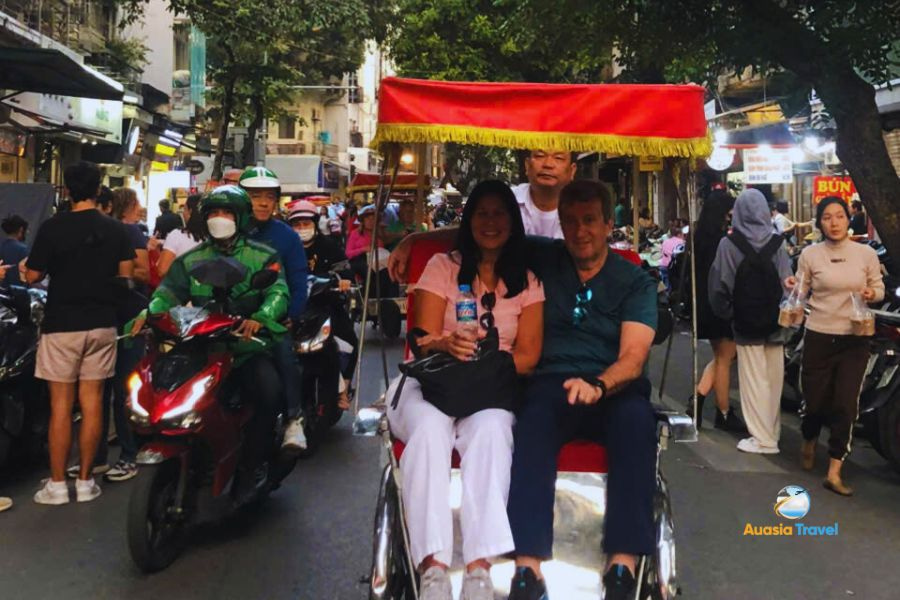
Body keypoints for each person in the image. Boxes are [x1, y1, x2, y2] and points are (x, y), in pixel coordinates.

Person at [387, 180, 544, 600]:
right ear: (469, 221)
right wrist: (446, 343)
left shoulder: (527, 281)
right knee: (430, 432)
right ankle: (433, 567)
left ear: (512, 221)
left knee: (494, 431)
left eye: (499, 214)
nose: (490, 223)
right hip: (431, 382)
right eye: (482, 214)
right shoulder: (442, 265)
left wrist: (488, 363)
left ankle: (479, 567)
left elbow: (528, 356)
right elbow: (421, 337)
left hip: (489, 388)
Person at [503, 180, 658, 600]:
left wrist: (598, 384)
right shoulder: (544, 257)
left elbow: (633, 357)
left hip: (614, 385)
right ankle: (527, 567)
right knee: (531, 420)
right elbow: (487, 232)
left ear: (609, 224)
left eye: (590, 221)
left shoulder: (634, 280)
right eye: (570, 222)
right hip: (552, 382)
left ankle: (621, 565)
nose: (580, 231)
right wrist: (415, 241)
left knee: (636, 422)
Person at [131, 185, 290, 499]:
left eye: (226, 213)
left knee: (269, 392)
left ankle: (252, 466)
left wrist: (260, 316)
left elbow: (278, 293)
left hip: (244, 347)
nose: (220, 219)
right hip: (198, 348)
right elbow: (168, 293)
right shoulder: (191, 260)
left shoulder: (262, 256)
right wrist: (148, 314)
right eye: (214, 213)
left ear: (240, 217)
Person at [20, 161, 135, 505]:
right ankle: (86, 482)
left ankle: (57, 485)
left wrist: (31, 269)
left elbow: (33, 277)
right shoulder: (116, 230)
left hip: (61, 325)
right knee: (93, 402)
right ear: (99, 190)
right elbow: (126, 275)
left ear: (66, 190)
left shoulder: (52, 228)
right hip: (102, 323)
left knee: (61, 406)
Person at [789, 196, 884, 496]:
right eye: (827, 217)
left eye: (840, 216)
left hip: (855, 338)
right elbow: (802, 292)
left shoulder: (865, 253)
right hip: (818, 335)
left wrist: (872, 292)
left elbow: (879, 288)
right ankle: (809, 437)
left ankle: (834, 469)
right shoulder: (810, 255)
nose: (834, 222)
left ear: (848, 219)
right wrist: (793, 287)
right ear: (819, 223)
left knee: (846, 404)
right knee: (815, 402)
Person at [68, 187, 152, 481]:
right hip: (99, 319)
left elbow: (143, 273)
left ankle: (129, 455)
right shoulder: (90, 235)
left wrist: (114, 273)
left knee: (124, 391)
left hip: (130, 320)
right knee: (96, 392)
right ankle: (97, 456)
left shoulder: (129, 234)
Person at [709, 189, 792, 455]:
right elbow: (788, 284)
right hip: (776, 322)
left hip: (745, 323)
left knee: (754, 380)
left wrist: (728, 314)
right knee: (774, 380)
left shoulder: (728, 245)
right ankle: (773, 431)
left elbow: (719, 286)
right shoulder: (778, 243)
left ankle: (762, 439)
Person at [238, 166, 308, 450]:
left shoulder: (287, 237)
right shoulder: (230, 233)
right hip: (228, 319)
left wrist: (290, 316)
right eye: (255, 196)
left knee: (283, 352)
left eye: (269, 196)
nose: (264, 202)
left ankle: (294, 418)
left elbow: (298, 279)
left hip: (271, 320)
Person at [287, 200, 357, 410]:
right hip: (295, 308)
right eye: (297, 224)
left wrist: (342, 280)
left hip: (326, 305)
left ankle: (344, 386)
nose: (301, 228)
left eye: (306, 223)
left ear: (315, 224)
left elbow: (346, 271)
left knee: (349, 340)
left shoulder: (329, 246)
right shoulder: (286, 248)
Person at [688, 190, 745, 431]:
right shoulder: (723, 241)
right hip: (721, 303)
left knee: (722, 356)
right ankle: (722, 412)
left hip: (703, 302)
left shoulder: (698, 237)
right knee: (725, 358)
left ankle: (699, 399)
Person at [511, 149, 577, 238]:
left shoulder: (583, 208)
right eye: (540, 156)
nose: (548, 164)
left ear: (572, 170)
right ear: (527, 165)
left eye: (558, 158)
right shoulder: (507, 200)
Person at [157, 194, 205, 279]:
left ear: (190, 211)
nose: (183, 212)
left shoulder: (177, 235)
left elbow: (162, 270)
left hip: (182, 289)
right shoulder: (214, 238)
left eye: (185, 209)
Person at [1, 214, 29, 286]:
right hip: (16, 293)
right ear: (21, 230)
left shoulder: (1, 246)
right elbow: (26, 277)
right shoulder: (23, 250)